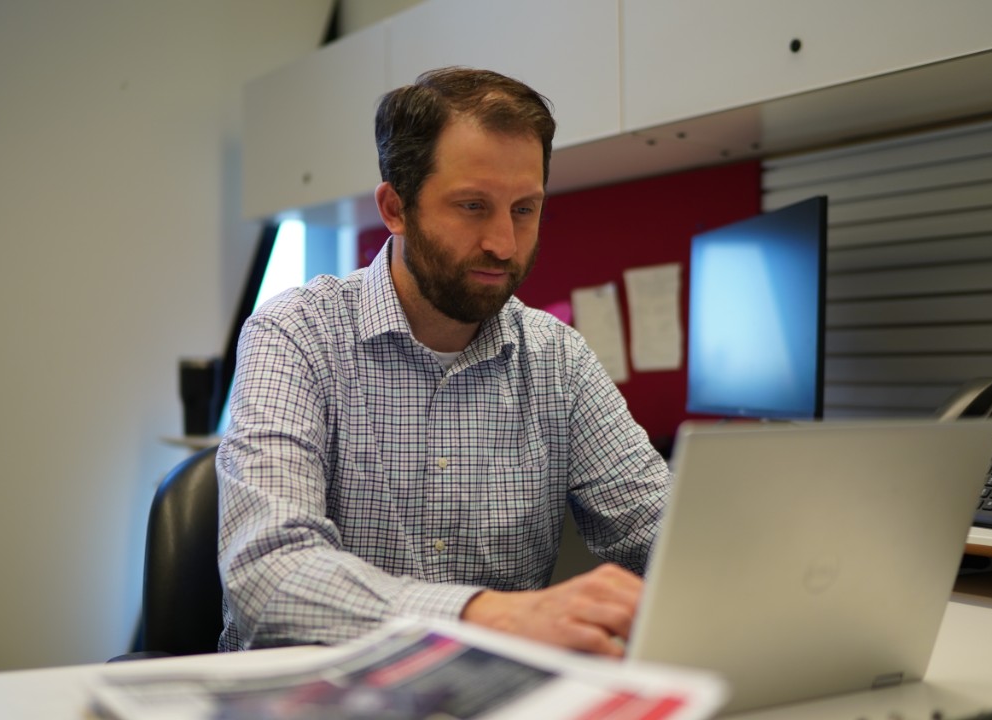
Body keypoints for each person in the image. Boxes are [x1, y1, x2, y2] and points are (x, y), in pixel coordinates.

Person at [217, 66, 670, 658]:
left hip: (487, 697)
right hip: (316, 695)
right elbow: (269, 574)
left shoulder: (557, 358)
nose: (504, 244)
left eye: (525, 209)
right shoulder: (296, 334)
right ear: (395, 207)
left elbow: (658, 527)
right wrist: (487, 616)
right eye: (472, 206)